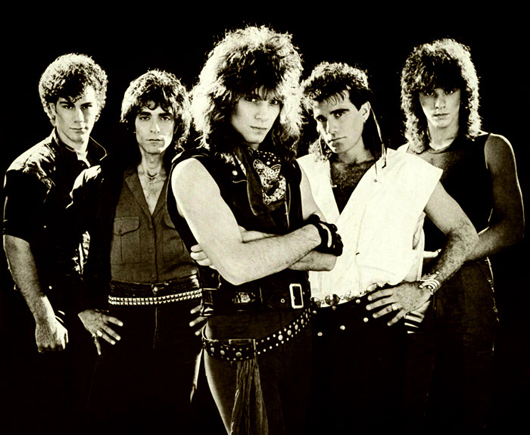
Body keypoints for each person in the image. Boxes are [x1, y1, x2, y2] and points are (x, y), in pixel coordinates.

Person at [168, 25, 342, 435]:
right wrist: (312, 234)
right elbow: (238, 268)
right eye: (252, 99)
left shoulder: (289, 166)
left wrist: (254, 241)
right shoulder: (193, 169)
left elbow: (331, 256)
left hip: (300, 331)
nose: (265, 114)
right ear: (225, 99)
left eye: (274, 101)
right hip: (240, 338)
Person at [297, 61, 480, 434]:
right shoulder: (299, 172)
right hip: (309, 330)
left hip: (378, 328)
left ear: (364, 111)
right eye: (320, 119)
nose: (330, 128)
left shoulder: (406, 170)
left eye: (339, 113)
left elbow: (464, 232)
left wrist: (424, 287)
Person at [61, 69, 204, 433]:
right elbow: (58, 247)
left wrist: (217, 305)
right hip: (122, 320)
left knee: (178, 422)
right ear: (132, 123)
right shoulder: (100, 182)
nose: (155, 128)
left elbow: (233, 243)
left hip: (184, 318)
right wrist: (82, 308)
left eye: (165, 117)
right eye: (145, 116)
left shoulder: (199, 177)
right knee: (108, 421)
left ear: (178, 123)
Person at [399, 38, 525, 434]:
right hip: (414, 284)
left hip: (469, 284)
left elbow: (512, 227)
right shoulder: (402, 158)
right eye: (429, 93)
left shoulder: (491, 147)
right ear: (415, 99)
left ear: (464, 94)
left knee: (469, 402)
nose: (439, 103)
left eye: (448, 91)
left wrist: (450, 260)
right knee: (409, 400)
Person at [2, 53, 108, 434]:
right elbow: (15, 243)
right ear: (51, 110)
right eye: (68, 106)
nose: (79, 117)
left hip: (92, 313)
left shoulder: (103, 164)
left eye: (86, 106)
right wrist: (43, 316)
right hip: (52, 316)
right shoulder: (28, 169)